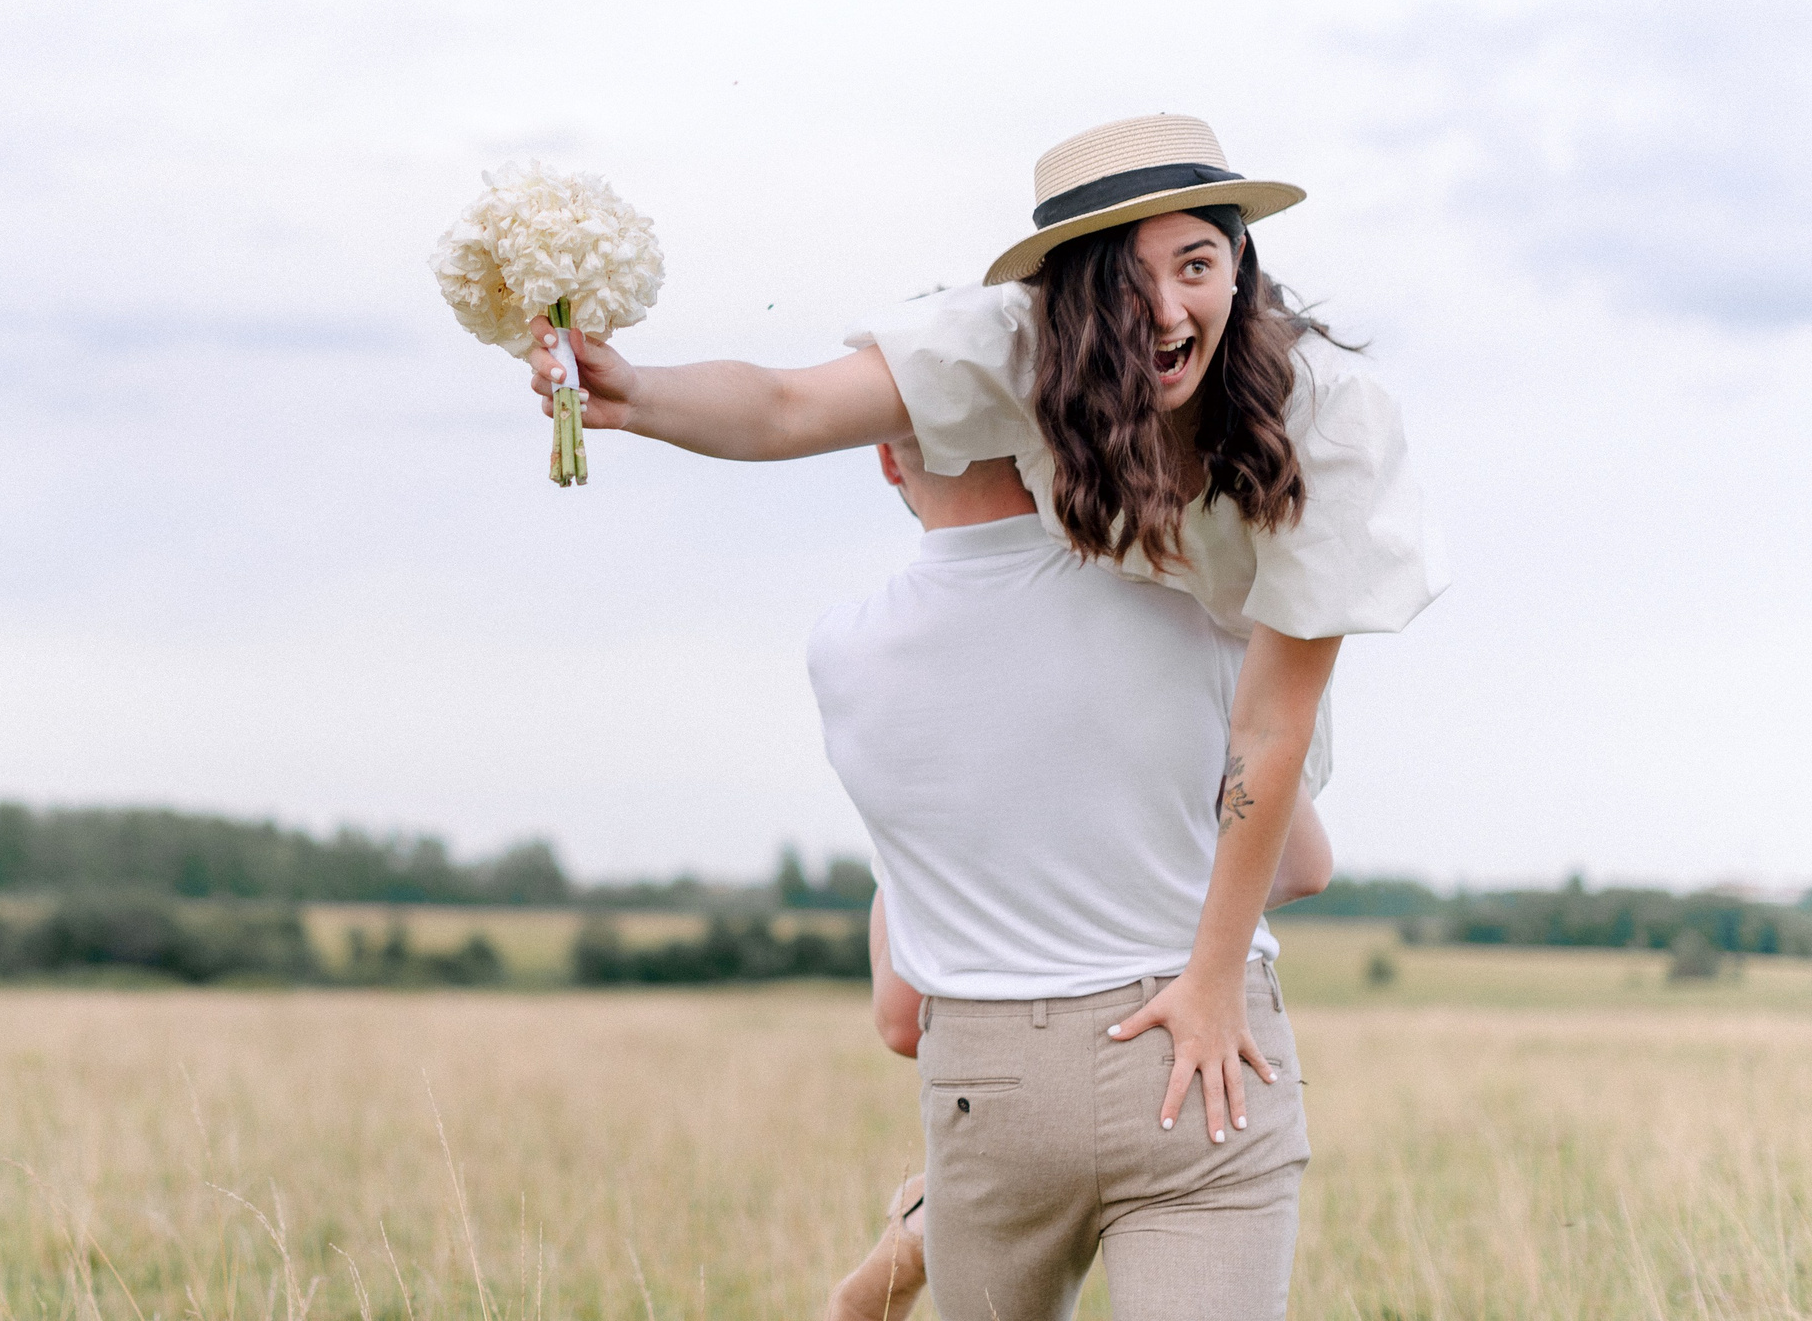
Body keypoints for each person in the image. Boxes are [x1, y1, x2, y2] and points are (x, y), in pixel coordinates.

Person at [525, 113, 1443, 1149]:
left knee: (1294, 861)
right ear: (1064, 294)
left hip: (1247, 646)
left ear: (1239, 260)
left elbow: (1270, 726)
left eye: (1197, 263)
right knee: (948, 962)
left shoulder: (1331, 421)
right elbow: (788, 405)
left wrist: (1212, 981)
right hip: (1105, 596)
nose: (1166, 308)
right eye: (1125, 279)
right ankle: (971, 1170)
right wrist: (638, 391)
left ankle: (967, 1201)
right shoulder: (1015, 340)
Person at [812, 434, 1333, 1321]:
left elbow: (901, 1016)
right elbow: (1302, 864)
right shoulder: (1176, 590)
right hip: (1198, 1055)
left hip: (993, 1088)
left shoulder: (845, 654)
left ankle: (923, 1224)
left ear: (889, 461)